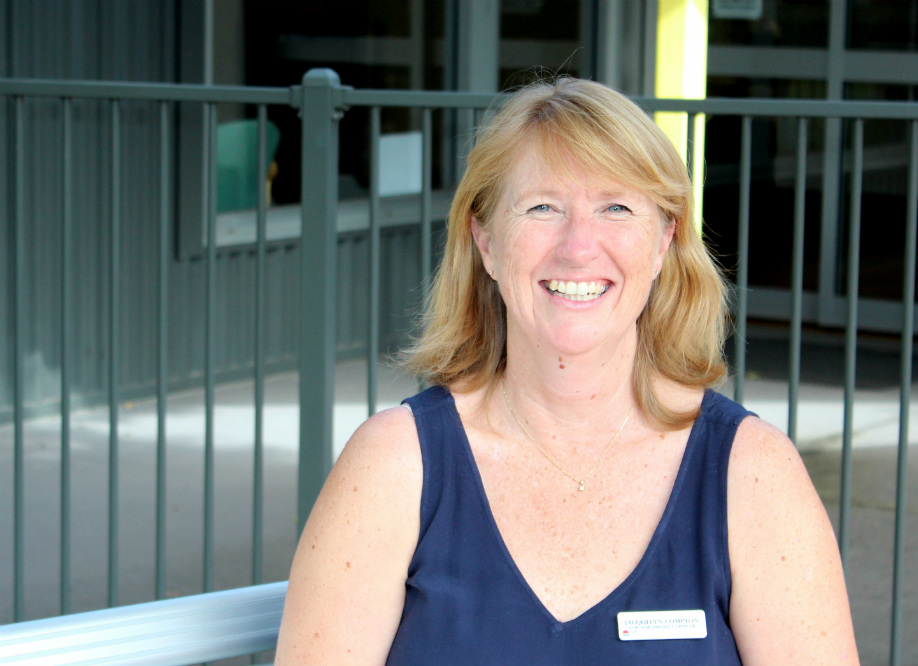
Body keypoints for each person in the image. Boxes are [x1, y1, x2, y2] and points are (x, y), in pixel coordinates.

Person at [274, 77, 859, 666]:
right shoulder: (393, 468)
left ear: (663, 242)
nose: (579, 246)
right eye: (543, 207)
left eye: (616, 208)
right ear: (486, 241)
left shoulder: (753, 475)